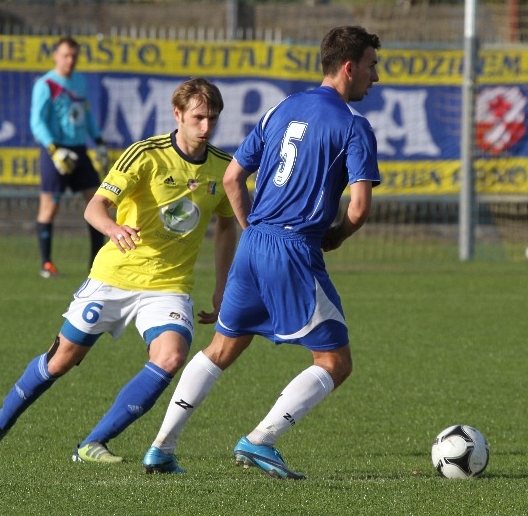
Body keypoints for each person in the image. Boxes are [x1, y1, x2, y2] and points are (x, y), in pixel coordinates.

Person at [142, 25, 381, 479]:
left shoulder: (282, 109)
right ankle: (260, 440)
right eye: (372, 66)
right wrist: (336, 236)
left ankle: (160, 447)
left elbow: (232, 178)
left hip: (253, 245)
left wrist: (253, 231)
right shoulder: (352, 125)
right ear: (349, 67)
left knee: (222, 349)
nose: (376, 76)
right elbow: (361, 205)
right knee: (334, 361)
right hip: (293, 248)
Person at [0, 78, 238, 463]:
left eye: (213, 118)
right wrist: (113, 228)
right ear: (177, 114)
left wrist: (222, 287)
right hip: (114, 276)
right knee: (62, 360)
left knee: (171, 357)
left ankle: (92, 444)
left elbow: (228, 225)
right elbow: (94, 207)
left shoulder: (224, 168)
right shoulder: (145, 155)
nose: (206, 127)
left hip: (168, 286)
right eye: (198, 117)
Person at [30, 36, 110, 278]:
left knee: (97, 202)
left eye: (74, 56)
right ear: (55, 55)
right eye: (65, 55)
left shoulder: (80, 81)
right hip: (55, 152)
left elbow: (85, 114)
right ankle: (47, 264)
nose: (70, 60)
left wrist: (97, 140)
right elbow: (36, 121)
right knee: (49, 207)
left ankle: (96, 265)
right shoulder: (46, 84)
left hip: (79, 149)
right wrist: (53, 149)